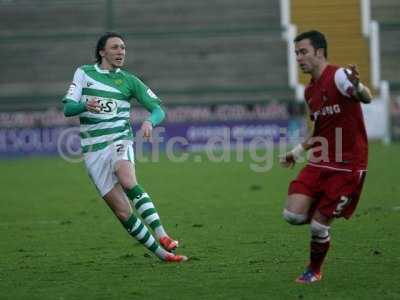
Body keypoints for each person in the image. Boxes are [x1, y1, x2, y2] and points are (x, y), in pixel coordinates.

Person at [62, 32, 187, 262]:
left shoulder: (129, 80)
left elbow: (158, 109)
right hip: (93, 151)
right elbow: (68, 109)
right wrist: (83, 105)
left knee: (127, 178)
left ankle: (163, 235)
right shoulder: (84, 73)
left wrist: (150, 121)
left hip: (119, 140)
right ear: (102, 52)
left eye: (123, 48)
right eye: (115, 47)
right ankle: (163, 255)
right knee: (123, 212)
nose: (121, 52)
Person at [280, 30, 372, 283]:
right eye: (296, 53)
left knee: (319, 226)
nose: (298, 58)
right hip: (320, 161)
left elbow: (366, 98)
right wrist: (296, 152)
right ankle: (323, 209)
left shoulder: (340, 76)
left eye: (303, 52)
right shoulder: (309, 92)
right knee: (293, 215)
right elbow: (318, 128)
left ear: (319, 52)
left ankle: (314, 270)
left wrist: (359, 87)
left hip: (348, 166)